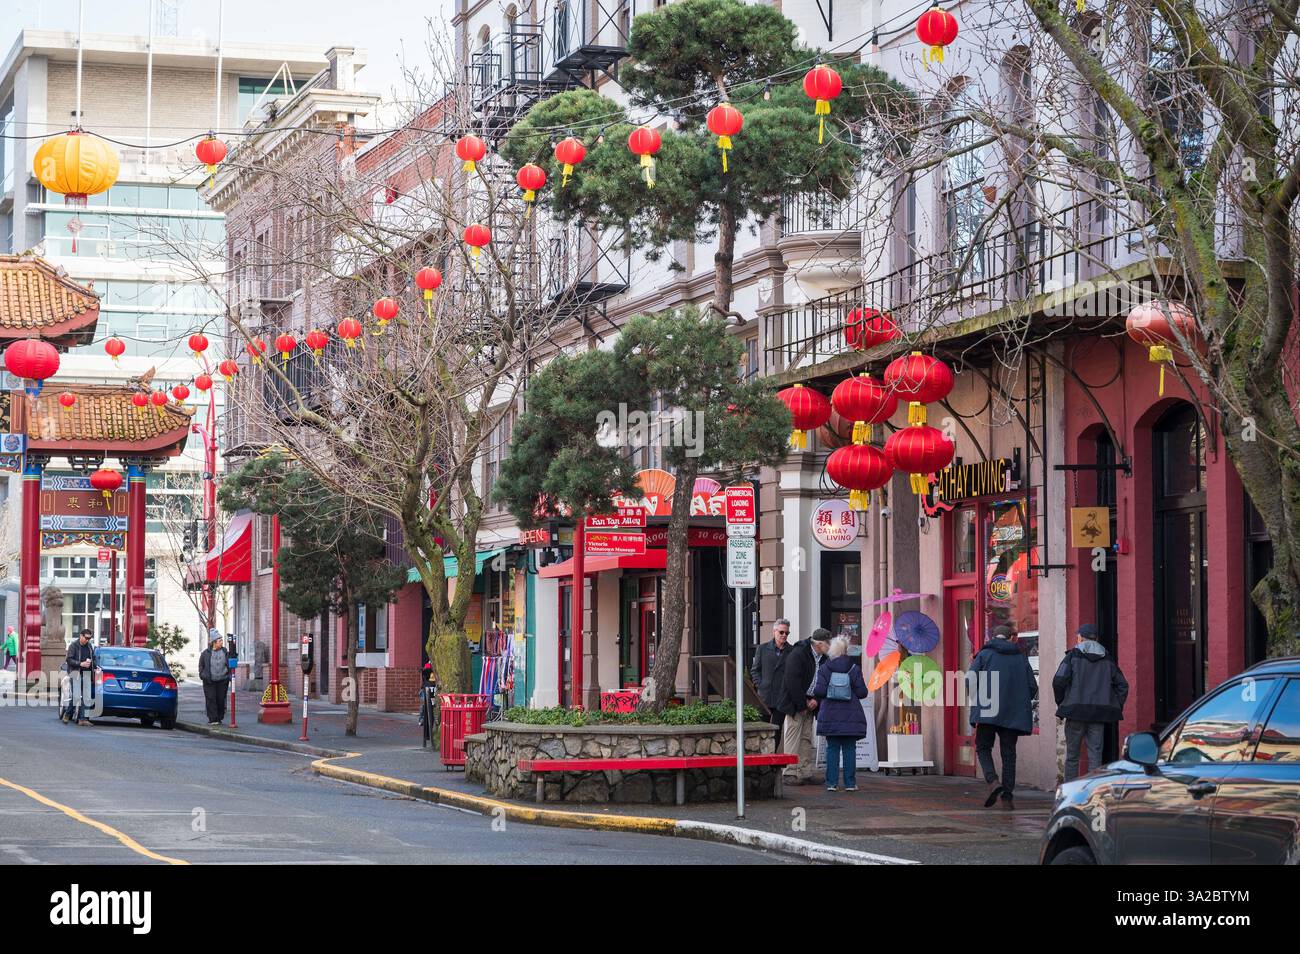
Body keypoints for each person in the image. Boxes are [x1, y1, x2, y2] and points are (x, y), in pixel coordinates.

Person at [969, 624, 1037, 810]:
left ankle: (992, 781)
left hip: (987, 711)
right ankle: (1007, 797)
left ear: (993, 637)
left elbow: (970, 680)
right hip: (1012, 714)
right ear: (1010, 638)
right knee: (1009, 755)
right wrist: (1018, 702)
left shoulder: (984, 655)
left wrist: (979, 700)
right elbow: (1032, 687)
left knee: (983, 747)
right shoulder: (1021, 657)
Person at [1053, 623, 1129, 781]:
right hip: (1099, 714)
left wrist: (1062, 703)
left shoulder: (1073, 655)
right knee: (1095, 756)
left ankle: (1070, 793)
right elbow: (1122, 685)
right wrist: (1114, 705)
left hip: (1075, 712)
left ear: (1080, 637)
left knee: (1073, 756)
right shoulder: (1107, 658)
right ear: (1097, 639)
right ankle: (1091, 792)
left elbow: (1059, 681)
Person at [813, 635, 869, 791]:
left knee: (832, 748)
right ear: (846, 650)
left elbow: (819, 690)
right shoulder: (854, 668)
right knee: (850, 748)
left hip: (830, 715)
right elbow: (862, 692)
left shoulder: (825, 668)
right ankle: (850, 784)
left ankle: (831, 783)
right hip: (850, 715)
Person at [778, 628, 832, 785]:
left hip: (810, 701)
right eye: (828, 643)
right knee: (793, 736)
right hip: (795, 702)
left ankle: (805, 771)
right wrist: (802, 703)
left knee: (806, 737)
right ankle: (789, 772)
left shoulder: (823, 657)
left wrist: (816, 699)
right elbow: (792, 681)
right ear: (820, 644)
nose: (830, 646)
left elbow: (823, 680)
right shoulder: (799, 653)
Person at [750, 619, 792, 738]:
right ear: (774, 632)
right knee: (762, 729)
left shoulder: (792, 650)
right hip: (765, 695)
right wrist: (761, 684)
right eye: (781, 632)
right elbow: (755, 670)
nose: (784, 635)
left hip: (782, 696)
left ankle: (774, 755)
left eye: (787, 633)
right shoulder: (762, 648)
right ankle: (763, 756)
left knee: (777, 730)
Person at [63, 628, 96, 726]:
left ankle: (83, 719)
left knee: (86, 698)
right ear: (81, 636)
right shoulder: (73, 646)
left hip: (87, 674)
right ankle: (67, 714)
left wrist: (92, 665)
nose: (87, 640)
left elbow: (93, 659)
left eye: (89, 638)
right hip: (76, 673)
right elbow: (69, 660)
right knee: (76, 697)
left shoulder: (90, 646)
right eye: (86, 638)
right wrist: (80, 664)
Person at [198, 633, 230, 725]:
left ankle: (219, 717)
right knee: (211, 699)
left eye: (222, 641)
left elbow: (230, 662)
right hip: (209, 681)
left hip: (223, 680)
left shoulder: (225, 652)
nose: (221, 643)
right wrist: (203, 675)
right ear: (214, 642)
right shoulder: (205, 653)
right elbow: (201, 665)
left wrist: (228, 676)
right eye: (220, 641)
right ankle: (212, 719)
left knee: (220, 699)